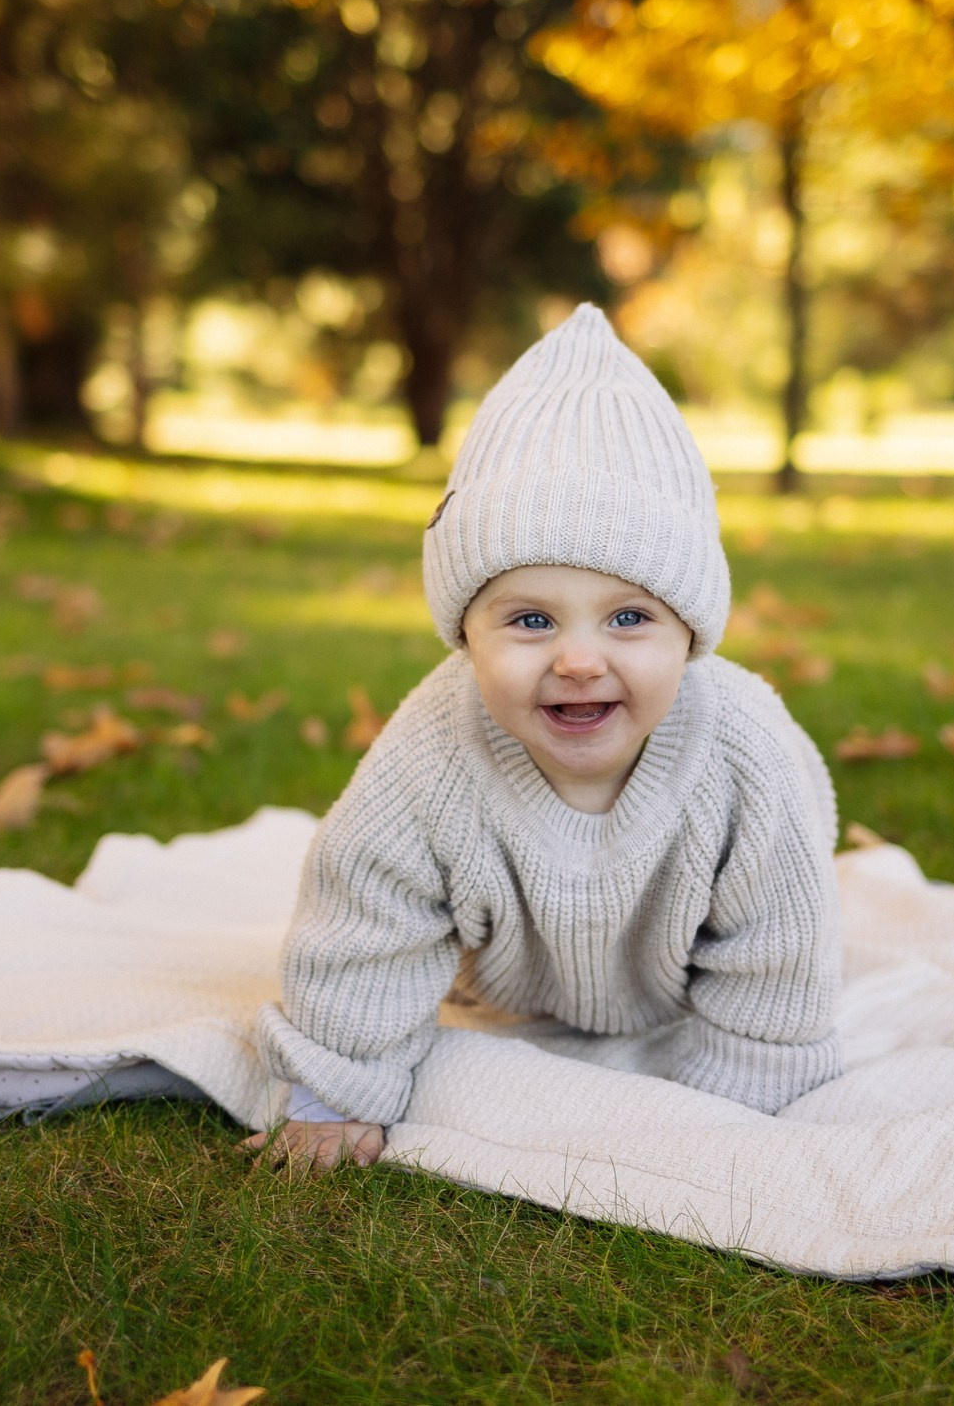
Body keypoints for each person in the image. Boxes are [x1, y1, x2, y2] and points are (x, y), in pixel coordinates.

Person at [246, 305, 842, 1172]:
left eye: (629, 617)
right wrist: (334, 1091)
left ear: (691, 632)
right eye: (530, 618)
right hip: (507, 989)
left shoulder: (744, 753)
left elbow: (778, 950)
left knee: (783, 904)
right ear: (465, 634)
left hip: (689, 991)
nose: (577, 659)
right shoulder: (434, 750)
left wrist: (729, 1115)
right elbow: (365, 916)